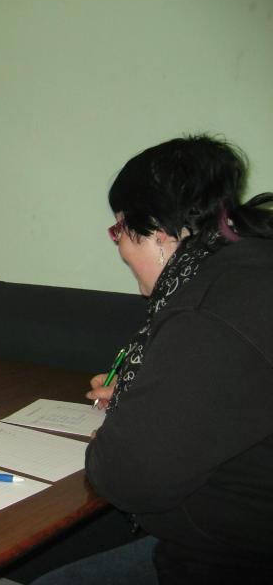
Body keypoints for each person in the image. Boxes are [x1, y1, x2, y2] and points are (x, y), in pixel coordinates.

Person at [32, 135, 273, 585]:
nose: (119, 247)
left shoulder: (206, 312)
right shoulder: (246, 270)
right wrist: (143, 397)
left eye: (118, 231)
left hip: (230, 560)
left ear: (158, 231)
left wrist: (124, 421)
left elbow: (126, 476)